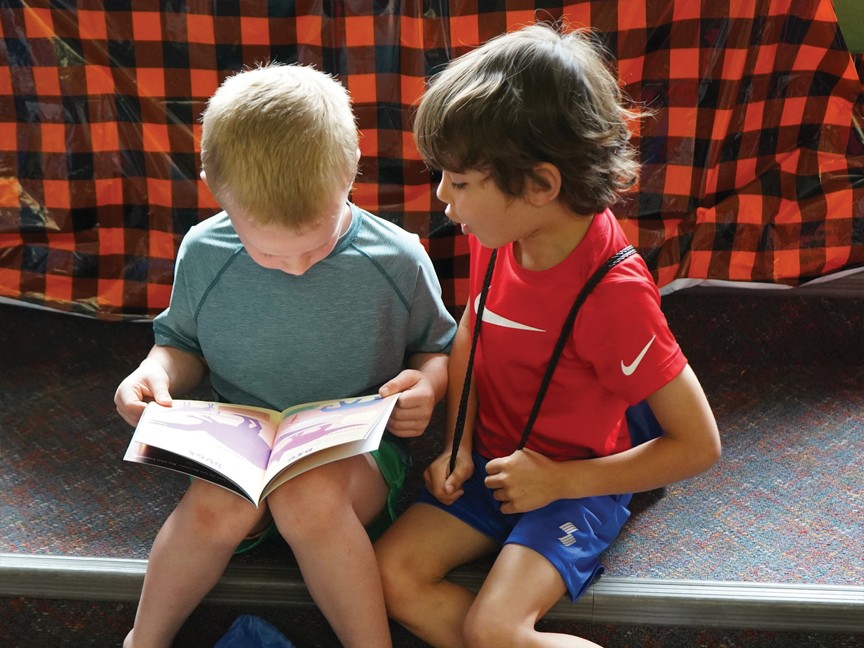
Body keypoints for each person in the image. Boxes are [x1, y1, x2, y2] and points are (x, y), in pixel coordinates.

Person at [374, 23, 721, 648]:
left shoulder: (615, 296)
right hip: (495, 465)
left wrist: (561, 482)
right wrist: (457, 442)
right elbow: (472, 335)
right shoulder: (499, 233)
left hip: (576, 483)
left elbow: (699, 445)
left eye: (460, 181)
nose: (443, 198)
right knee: (389, 575)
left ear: (539, 185)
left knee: (496, 629)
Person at [114, 62, 457, 648]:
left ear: (351, 170)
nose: (297, 265)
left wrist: (427, 387)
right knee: (213, 509)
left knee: (308, 496)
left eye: (317, 244)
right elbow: (181, 346)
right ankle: (142, 640)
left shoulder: (396, 256)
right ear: (214, 189)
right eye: (270, 254)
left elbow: (437, 348)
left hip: (357, 459)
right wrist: (154, 375)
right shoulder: (205, 250)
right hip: (241, 449)